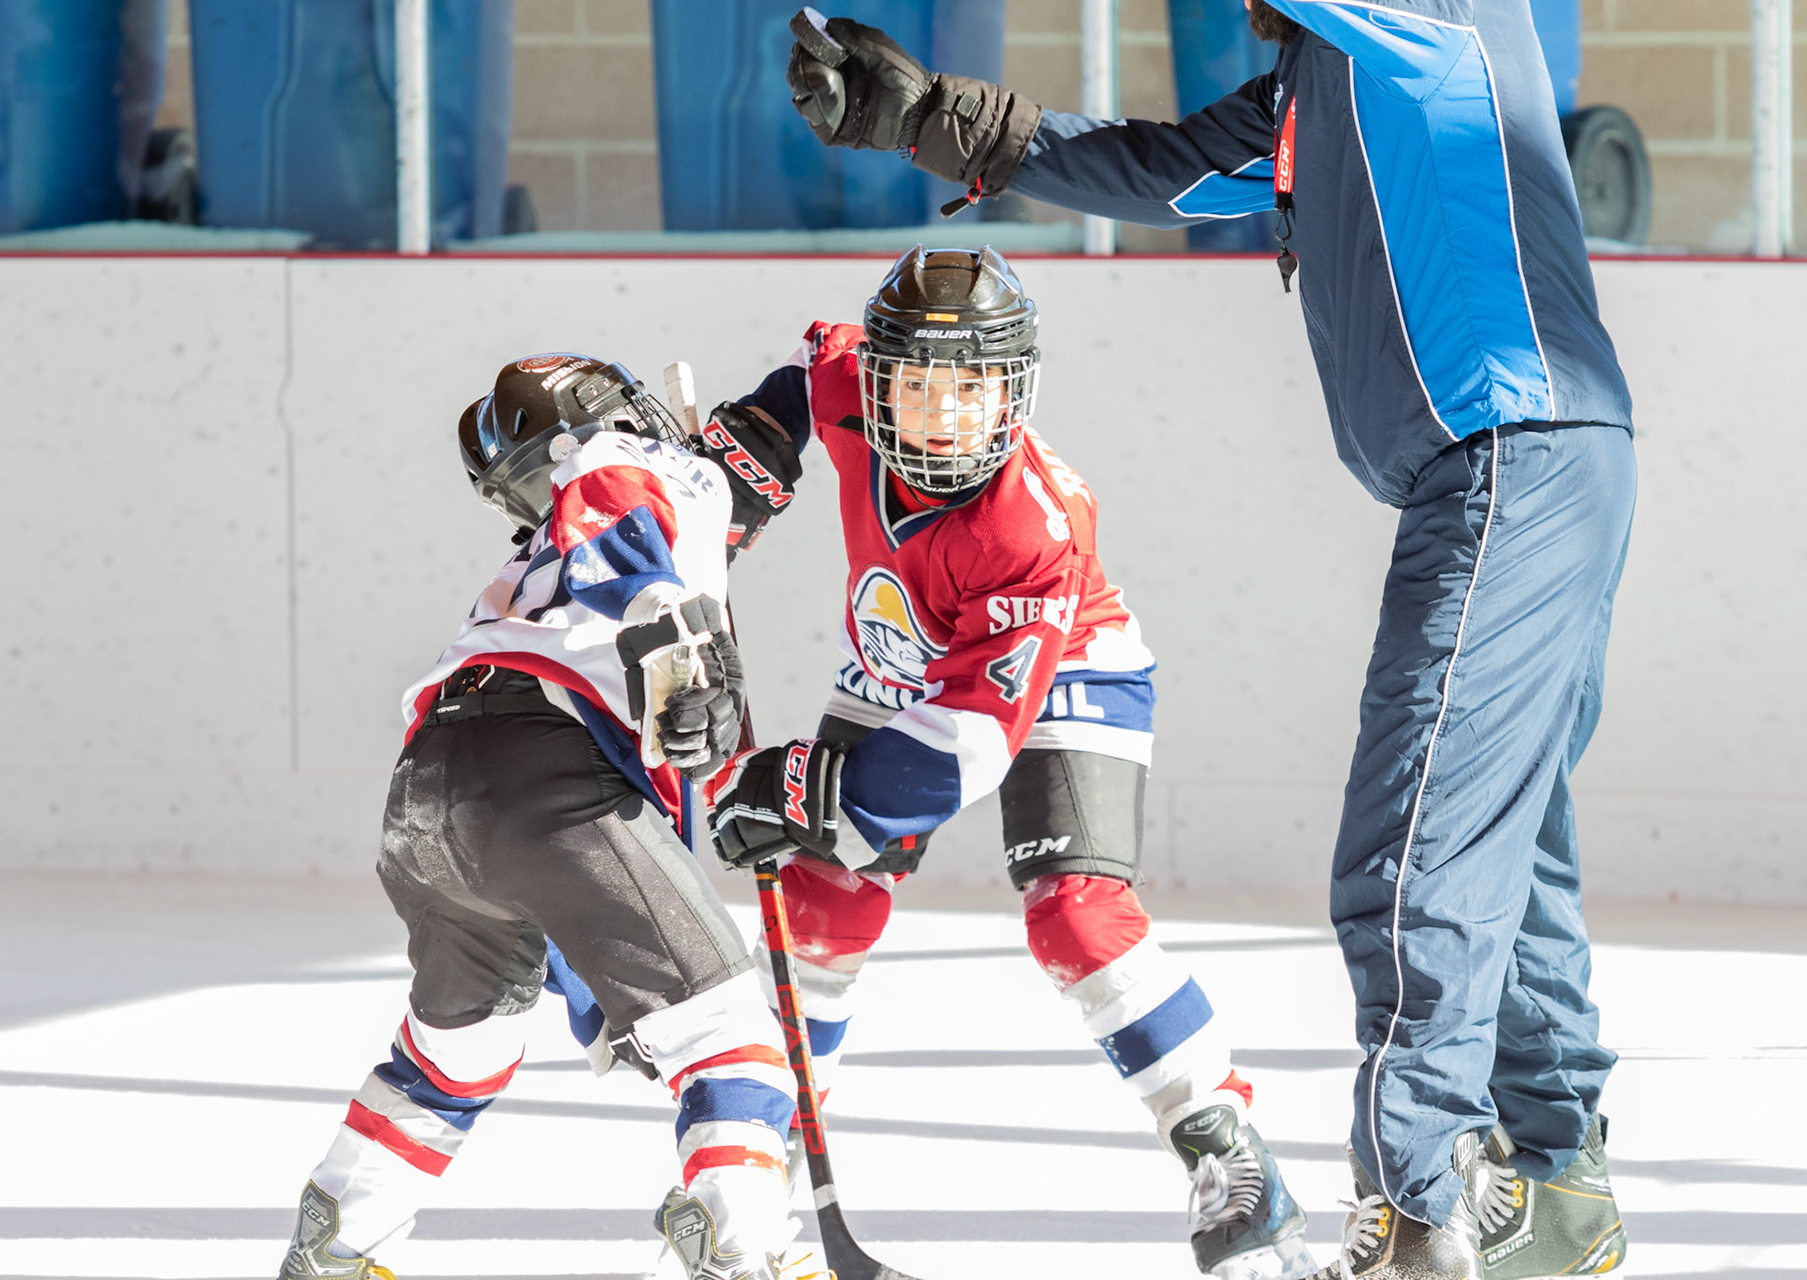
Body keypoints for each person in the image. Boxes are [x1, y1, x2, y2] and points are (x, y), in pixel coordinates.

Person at [781, 5, 1635, 1279]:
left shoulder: (1430, 13)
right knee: (1509, 843)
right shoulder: (1321, 84)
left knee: (1413, 842)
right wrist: (929, 118)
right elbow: (1162, 170)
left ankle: (1424, 1203)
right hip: (1525, 466)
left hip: (1510, 454)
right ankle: (1557, 1189)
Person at [695, 245, 1315, 1280]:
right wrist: (747, 454)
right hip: (902, 651)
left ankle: (1225, 1146)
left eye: (972, 386)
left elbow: (964, 749)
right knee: (819, 904)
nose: (943, 412)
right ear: (881, 380)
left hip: (1062, 668)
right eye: (919, 384)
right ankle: (753, 1162)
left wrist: (797, 791)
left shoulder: (1031, 525)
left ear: (1012, 390)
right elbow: (806, 375)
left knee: (1075, 911)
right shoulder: (850, 381)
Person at [275, 354, 811, 1280]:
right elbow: (619, 504)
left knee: (459, 1050)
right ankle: (745, 1248)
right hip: (546, 775)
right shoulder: (622, 463)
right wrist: (669, 617)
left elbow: (745, 457)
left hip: (432, 790)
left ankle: (341, 1240)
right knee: (732, 1040)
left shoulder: (541, 558)